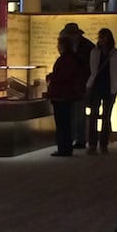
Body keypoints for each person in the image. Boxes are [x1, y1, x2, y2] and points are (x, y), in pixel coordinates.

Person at [44, 26, 85, 156]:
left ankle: (64, 148)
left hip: (61, 95)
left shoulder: (65, 59)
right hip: (66, 94)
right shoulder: (72, 58)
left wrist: (52, 77)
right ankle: (65, 147)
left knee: (62, 123)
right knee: (66, 123)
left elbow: (63, 76)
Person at [85, 27, 117, 154]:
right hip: (98, 86)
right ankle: (93, 144)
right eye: (101, 37)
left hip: (109, 87)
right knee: (94, 115)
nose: (102, 40)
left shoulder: (115, 54)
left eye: (104, 37)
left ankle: (103, 143)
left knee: (105, 116)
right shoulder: (95, 52)